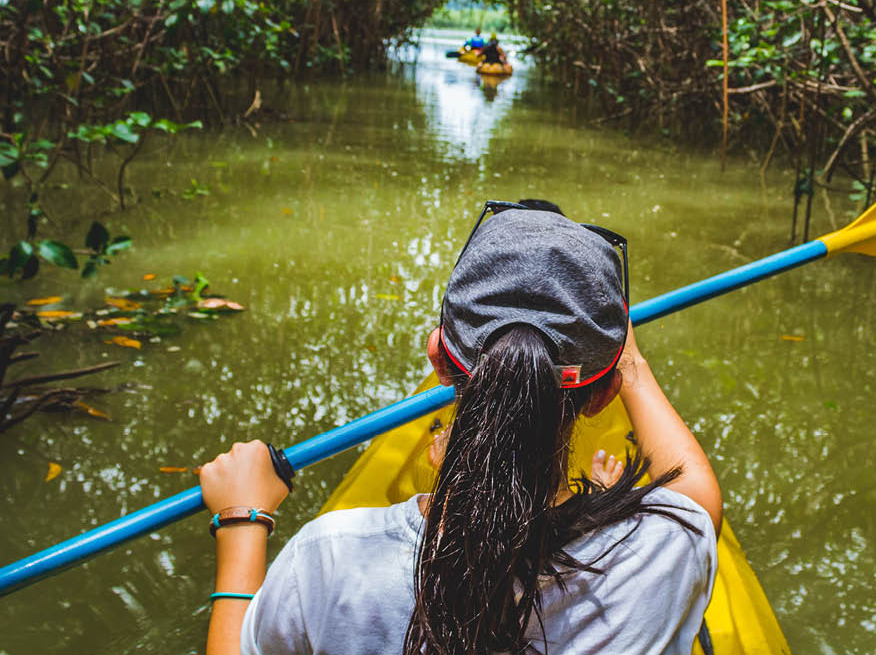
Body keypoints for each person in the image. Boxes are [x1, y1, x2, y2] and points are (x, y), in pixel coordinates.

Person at [200, 203, 722, 655]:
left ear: (440, 357)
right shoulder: (664, 549)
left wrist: (242, 520)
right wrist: (627, 360)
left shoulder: (331, 557)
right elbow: (695, 492)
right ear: (604, 393)